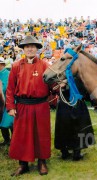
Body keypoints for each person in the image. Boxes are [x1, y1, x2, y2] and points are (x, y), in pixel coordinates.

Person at [6, 35, 51, 176]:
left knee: (41, 135)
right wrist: (11, 107)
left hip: (41, 105)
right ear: (23, 49)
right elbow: (10, 89)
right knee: (22, 135)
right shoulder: (15, 66)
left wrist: (59, 86)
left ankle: (42, 162)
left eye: (33, 46)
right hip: (22, 106)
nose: (30, 49)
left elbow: (52, 85)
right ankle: (23, 164)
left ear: (37, 49)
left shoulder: (45, 65)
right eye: (27, 46)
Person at [55, 76, 95, 161]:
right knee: (70, 126)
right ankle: (68, 152)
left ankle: (73, 152)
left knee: (75, 126)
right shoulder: (71, 72)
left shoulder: (75, 72)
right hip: (68, 101)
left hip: (74, 101)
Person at [0, 57, 14, 146]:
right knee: (1, 122)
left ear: (2, 65)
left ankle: (14, 140)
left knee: (10, 122)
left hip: (8, 101)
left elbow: (6, 88)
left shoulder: (8, 74)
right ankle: (6, 140)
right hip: (0, 103)